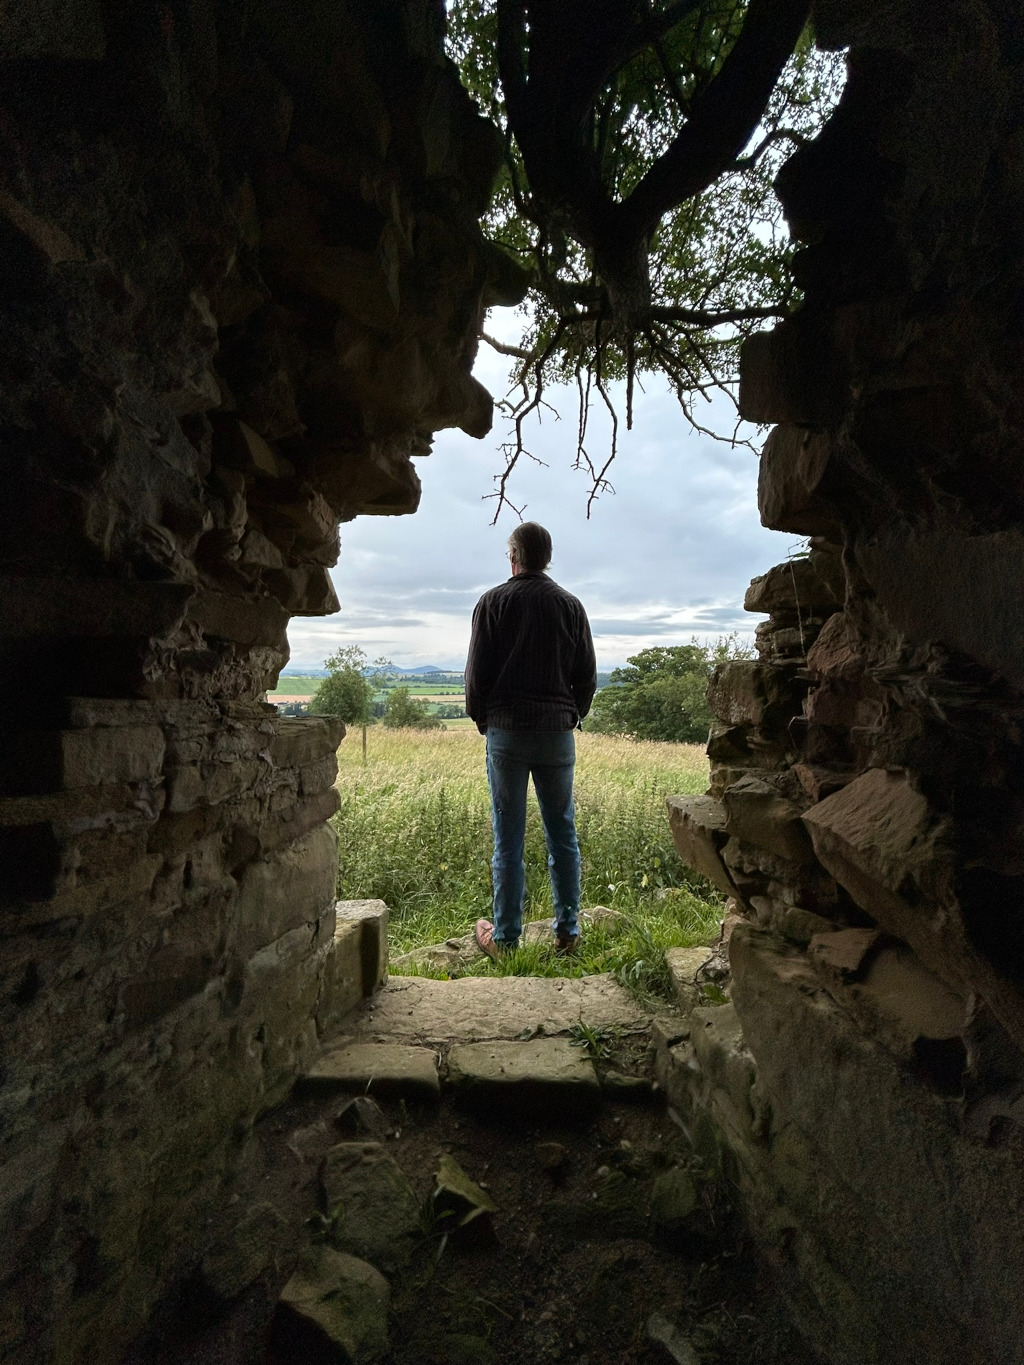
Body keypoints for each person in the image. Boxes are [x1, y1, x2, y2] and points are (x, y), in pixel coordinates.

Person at [465, 522, 597, 958]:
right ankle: (567, 933)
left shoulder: (491, 603)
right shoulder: (571, 606)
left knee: (508, 837)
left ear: (513, 556)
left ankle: (505, 940)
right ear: (547, 556)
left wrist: (486, 721)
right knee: (563, 832)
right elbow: (587, 677)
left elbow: (475, 677)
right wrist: (570, 715)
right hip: (557, 733)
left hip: (506, 732)